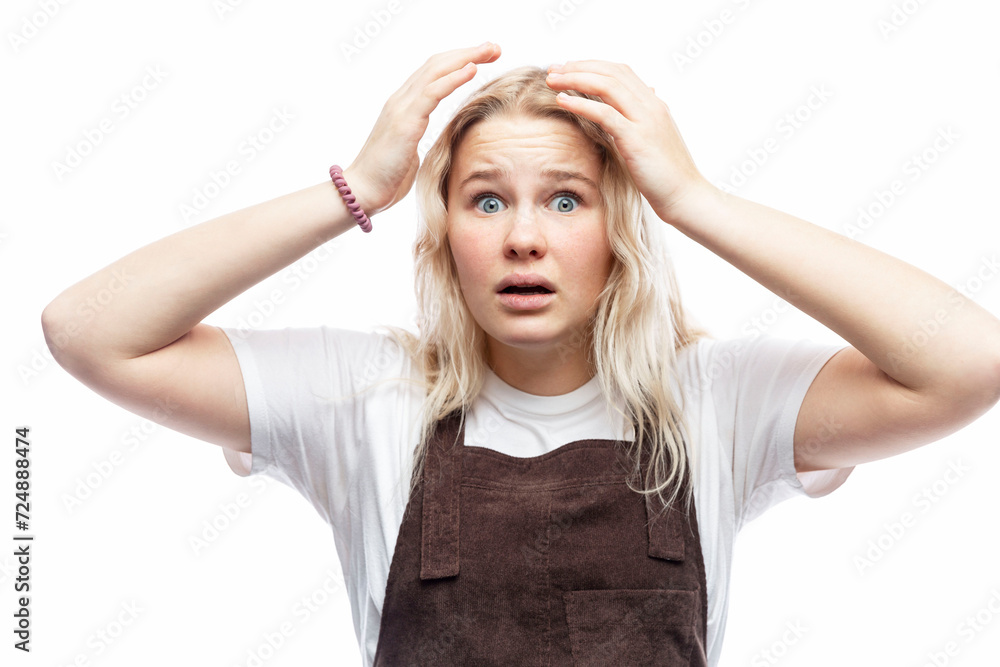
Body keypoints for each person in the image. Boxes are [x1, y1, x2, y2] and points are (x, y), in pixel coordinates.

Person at [40, 41, 1000, 666]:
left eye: (569, 199)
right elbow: (89, 330)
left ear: (621, 231)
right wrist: (358, 187)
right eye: (487, 199)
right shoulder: (366, 397)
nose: (524, 238)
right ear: (444, 230)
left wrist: (695, 199)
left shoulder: (715, 403)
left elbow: (966, 362)